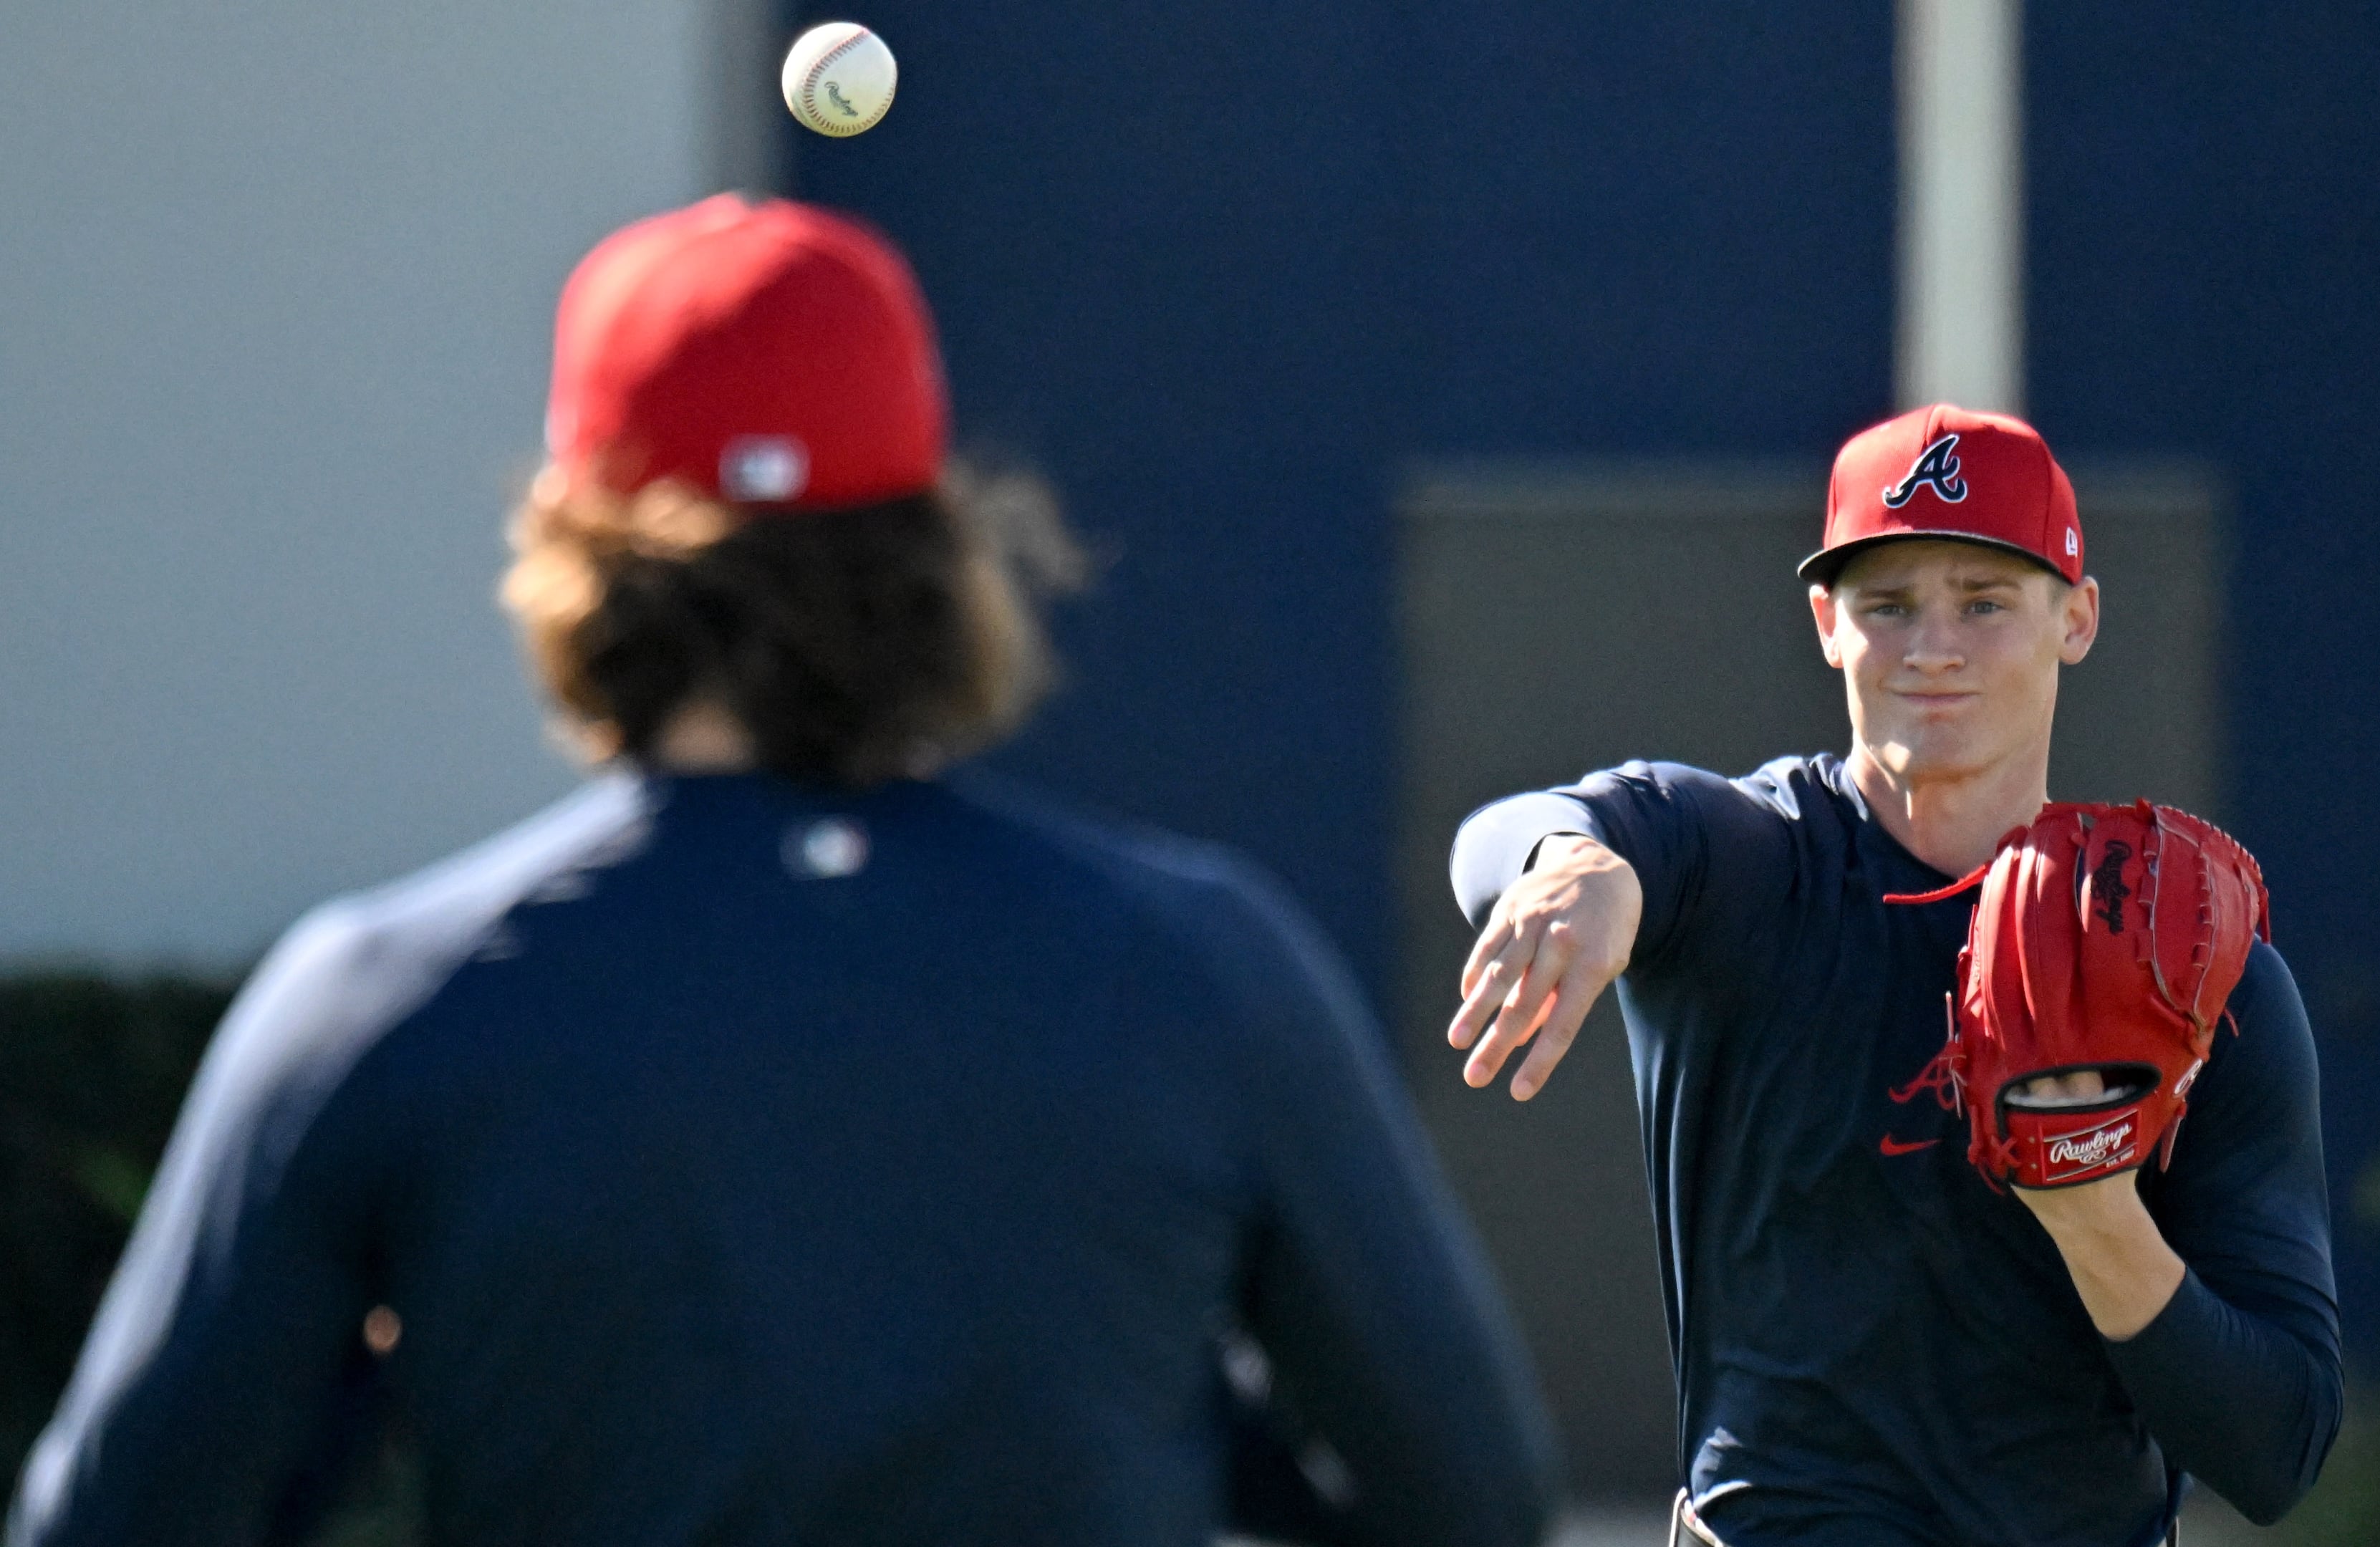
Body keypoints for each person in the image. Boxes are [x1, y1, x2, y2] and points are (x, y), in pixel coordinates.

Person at [7, 195, 1554, 1547]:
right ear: (940, 548)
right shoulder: (1203, 963)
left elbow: (121, 1523)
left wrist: (398, 1372)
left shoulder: (379, 1003)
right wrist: (1133, 1382)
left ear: (576, 548)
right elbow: (1470, 1503)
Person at [1442, 406, 2339, 1547]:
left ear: (2079, 617)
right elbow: (1522, 832)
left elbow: (2279, 1450)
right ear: (1825, 623)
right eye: (1889, 605)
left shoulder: (2186, 972)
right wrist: (1575, 867)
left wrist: (2094, 1213)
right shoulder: (1747, 871)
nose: (1934, 648)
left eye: (1985, 601)